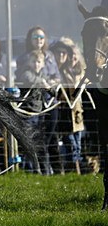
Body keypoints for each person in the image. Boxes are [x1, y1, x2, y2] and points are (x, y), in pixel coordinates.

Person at [15, 26, 60, 175]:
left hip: (50, 103)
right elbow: (23, 76)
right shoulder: (24, 58)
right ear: (30, 39)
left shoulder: (50, 56)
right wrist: (43, 82)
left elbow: (56, 78)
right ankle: (34, 169)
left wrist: (49, 84)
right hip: (33, 104)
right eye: (35, 37)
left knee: (49, 137)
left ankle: (50, 169)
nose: (39, 40)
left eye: (41, 37)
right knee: (34, 137)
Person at [50, 37, 86, 174]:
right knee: (70, 145)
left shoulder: (69, 71)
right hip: (62, 113)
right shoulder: (56, 72)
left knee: (77, 145)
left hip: (75, 113)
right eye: (58, 53)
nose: (61, 56)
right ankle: (71, 171)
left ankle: (76, 173)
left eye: (64, 53)